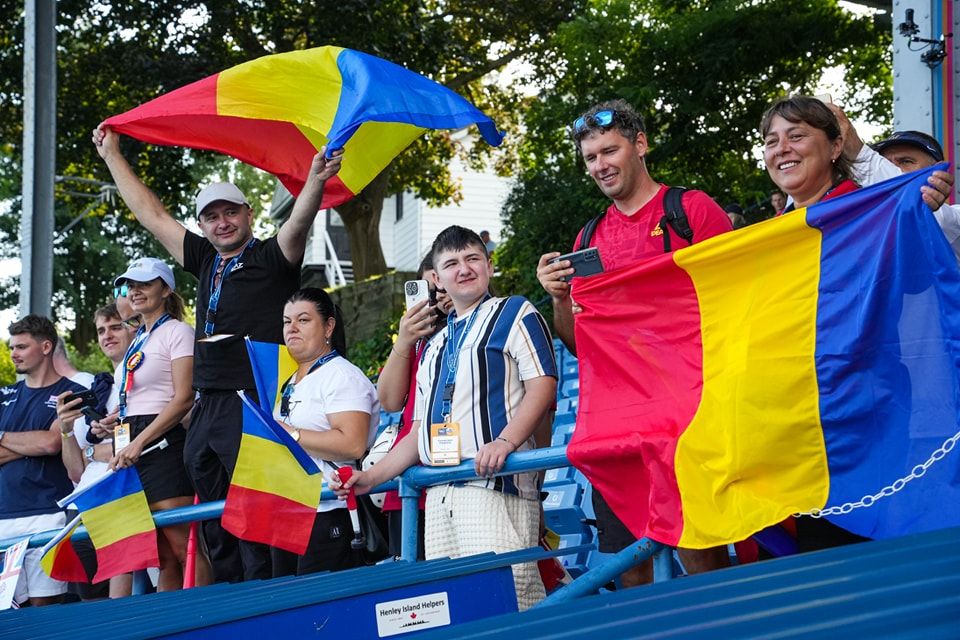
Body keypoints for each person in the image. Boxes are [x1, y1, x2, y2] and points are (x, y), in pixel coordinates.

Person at [93, 125, 343, 582]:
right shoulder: (205, 258)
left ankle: (265, 598)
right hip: (209, 402)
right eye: (212, 216)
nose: (222, 222)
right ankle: (228, 598)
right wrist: (112, 155)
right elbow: (152, 215)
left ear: (249, 215)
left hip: (253, 396)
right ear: (203, 225)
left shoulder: (271, 256)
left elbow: (299, 222)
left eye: (231, 212)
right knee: (212, 510)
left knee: (253, 509)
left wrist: (316, 180)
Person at [536, 99, 732, 587]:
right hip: (618, 424)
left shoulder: (689, 210)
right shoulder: (590, 236)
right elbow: (582, 343)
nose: (600, 165)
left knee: (700, 551)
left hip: (688, 416)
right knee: (631, 565)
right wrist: (559, 299)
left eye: (610, 150)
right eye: (590, 158)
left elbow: (737, 302)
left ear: (640, 145)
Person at [338, 226, 557, 611]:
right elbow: (418, 431)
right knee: (456, 608)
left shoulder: (515, 311)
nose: (464, 269)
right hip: (439, 492)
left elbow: (543, 387)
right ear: (436, 279)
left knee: (513, 598)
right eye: (452, 263)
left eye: (473, 258)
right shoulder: (434, 342)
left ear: (490, 265)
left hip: (494, 485)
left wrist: (505, 442)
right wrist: (370, 478)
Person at [104, 257, 208, 591]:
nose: (135, 292)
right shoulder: (137, 339)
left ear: (165, 289)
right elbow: (139, 393)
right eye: (130, 285)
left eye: (144, 284)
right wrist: (117, 422)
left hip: (161, 445)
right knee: (159, 554)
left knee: (184, 548)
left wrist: (138, 442)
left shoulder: (178, 331)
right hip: (132, 442)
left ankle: (203, 618)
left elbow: (183, 398)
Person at [271, 288, 379, 576]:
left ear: (328, 326)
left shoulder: (342, 375)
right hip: (290, 510)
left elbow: (353, 444)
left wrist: (290, 434)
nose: (291, 328)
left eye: (303, 320)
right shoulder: (290, 379)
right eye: (286, 321)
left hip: (329, 510)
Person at [0, 315, 84, 606]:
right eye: (13, 347)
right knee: (9, 614)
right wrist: (32, 444)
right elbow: (45, 443)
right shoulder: (3, 396)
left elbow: (51, 443)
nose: (13, 354)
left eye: (21, 347)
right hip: (3, 516)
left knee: (44, 609)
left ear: (46, 347)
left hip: (48, 513)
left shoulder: (72, 393)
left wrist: (2, 436)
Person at [56, 303, 136, 600]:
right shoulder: (99, 387)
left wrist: (101, 449)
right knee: (89, 604)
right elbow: (75, 470)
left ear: (133, 328)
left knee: (117, 611)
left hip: (122, 499)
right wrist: (65, 430)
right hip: (82, 505)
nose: (107, 335)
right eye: (101, 330)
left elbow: (134, 444)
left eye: (115, 327)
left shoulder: (144, 378)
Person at [376, 252, 453, 559]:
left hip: (456, 482)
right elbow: (390, 400)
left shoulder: (483, 329)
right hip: (408, 482)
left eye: (440, 285)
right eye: (427, 289)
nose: (435, 297)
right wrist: (404, 340)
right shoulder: (417, 341)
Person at [826, 109, 959, 261]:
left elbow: (936, 219)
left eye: (905, 161)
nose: (894, 170)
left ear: (938, 171)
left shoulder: (955, 218)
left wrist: (859, 155)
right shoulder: (864, 226)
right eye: (886, 164)